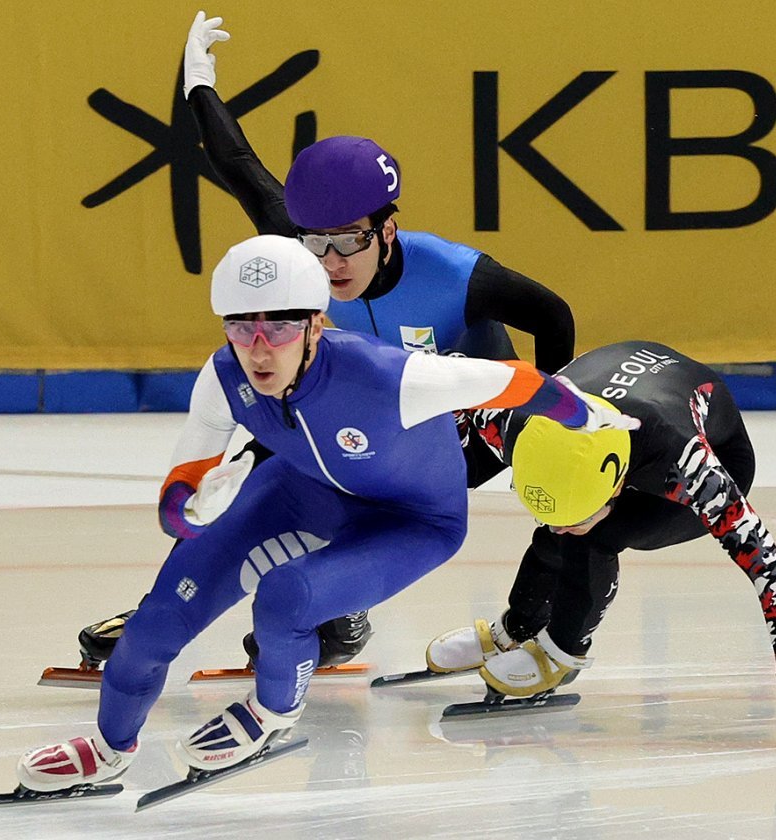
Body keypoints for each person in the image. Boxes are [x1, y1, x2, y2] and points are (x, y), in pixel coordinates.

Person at [16, 235, 636, 791]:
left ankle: (273, 713)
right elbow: (180, 492)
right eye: (241, 326)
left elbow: (517, 381)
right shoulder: (224, 374)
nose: (259, 348)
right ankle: (109, 748)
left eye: (280, 327)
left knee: (286, 597)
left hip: (411, 521)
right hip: (303, 489)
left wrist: (589, 415)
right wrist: (193, 510)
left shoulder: (391, 377)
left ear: (316, 324)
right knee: (155, 623)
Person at [72, 10, 578, 668]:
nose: (331, 263)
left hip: (477, 416)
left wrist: (546, 423)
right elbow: (237, 165)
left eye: (349, 244)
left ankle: (487, 625)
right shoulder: (307, 246)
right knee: (252, 465)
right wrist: (199, 81)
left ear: (386, 234)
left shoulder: (457, 277)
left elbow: (555, 315)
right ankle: (170, 611)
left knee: (371, 482)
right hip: (378, 403)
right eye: (318, 245)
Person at [426, 340, 776, 745]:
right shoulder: (511, 417)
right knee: (563, 535)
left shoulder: (691, 470)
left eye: (572, 513)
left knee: (593, 537)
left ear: (616, 486)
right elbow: (453, 372)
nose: (558, 526)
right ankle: (516, 627)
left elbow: (770, 570)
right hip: (613, 407)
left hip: (712, 445)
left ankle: (562, 650)